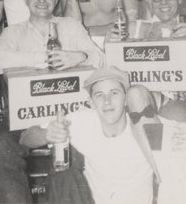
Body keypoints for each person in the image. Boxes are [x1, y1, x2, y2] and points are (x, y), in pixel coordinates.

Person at [0, 0, 103, 203]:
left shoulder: (71, 26)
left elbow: (99, 58)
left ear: (57, 1)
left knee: (75, 159)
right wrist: (43, 58)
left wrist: (78, 56)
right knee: (1, 148)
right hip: (27, 117)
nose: (42, 0)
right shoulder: (14, 32)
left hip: (70, 115)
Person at [13, 67, 159, 204]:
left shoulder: (144, 127)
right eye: (99, 95)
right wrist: (47, 134)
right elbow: (25, 138)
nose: (107, 101)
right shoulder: (82, 121)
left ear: (126, 99)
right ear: (92, 103)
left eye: (114, 93)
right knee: (63, 172)